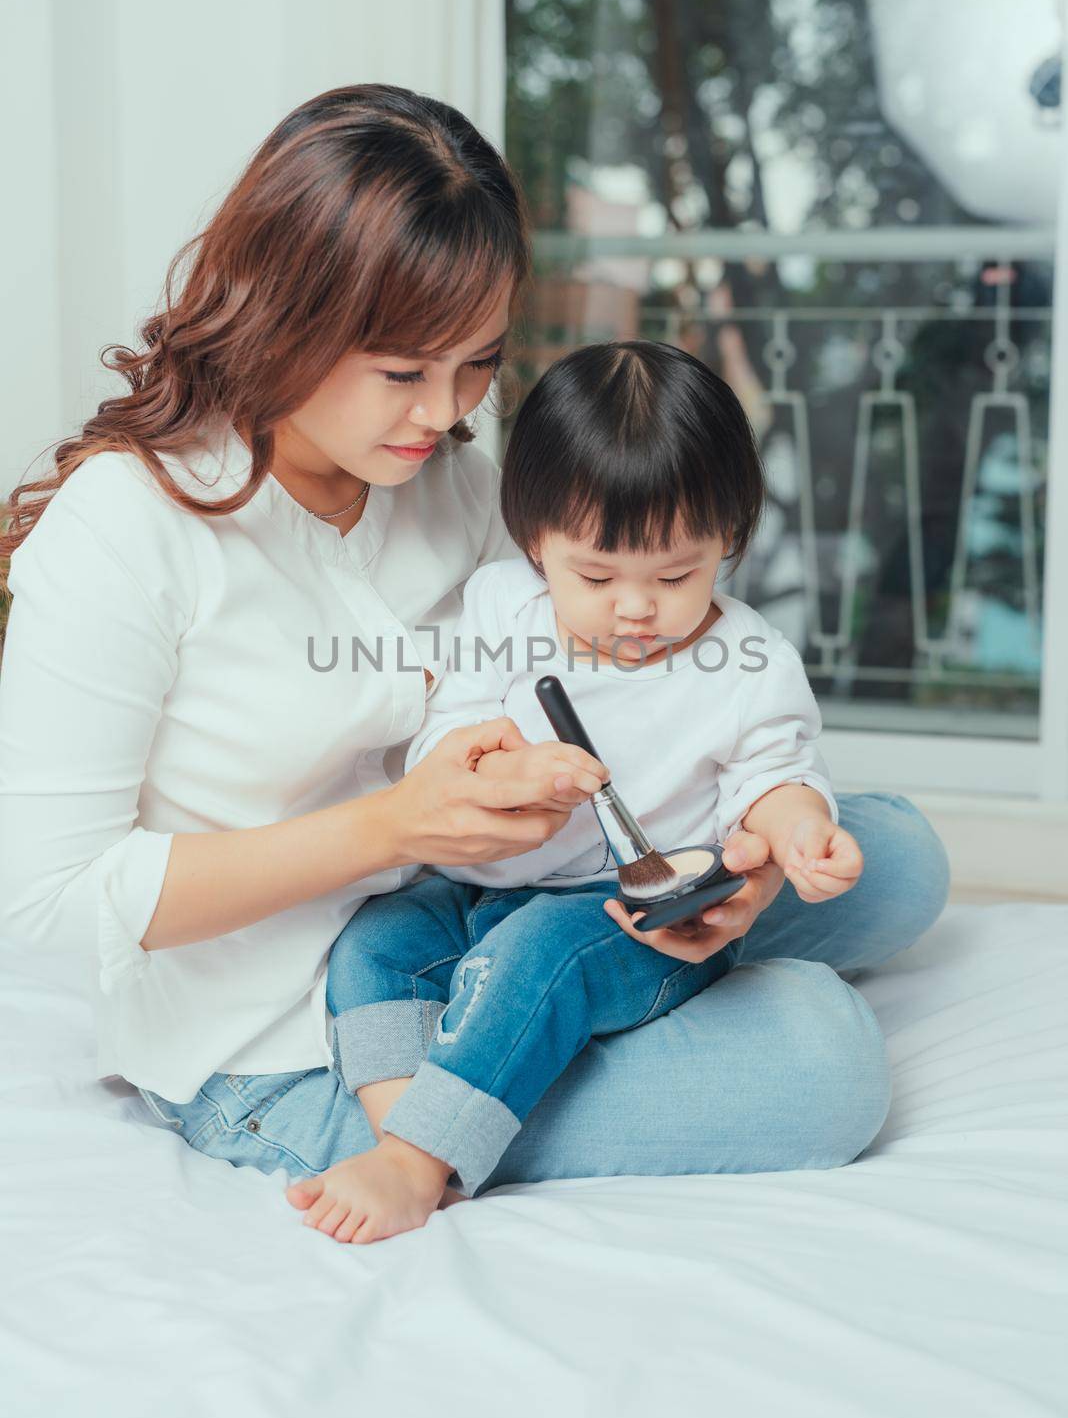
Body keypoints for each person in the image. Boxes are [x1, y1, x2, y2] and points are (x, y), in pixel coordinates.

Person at [0, 85, 949, 1233]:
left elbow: (603, 661)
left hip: (493, 900)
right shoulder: (127, 527)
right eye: (403, 371)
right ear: (283, 314)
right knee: (823, 1054)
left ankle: (588, 990)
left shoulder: (441, 474)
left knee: (891, 854)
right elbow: (44, 901)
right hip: (284, 1033)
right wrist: (396, 826)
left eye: (477, 364)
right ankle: (434, 1113)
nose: (443, 413)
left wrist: (728, 864)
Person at [301, 341, 865, 1243]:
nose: (635, 609)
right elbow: (453, 732)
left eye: (677, 575)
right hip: (486, 884)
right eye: (595, 577)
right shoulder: (499, 607)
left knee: (540, 955)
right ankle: (407, 1123)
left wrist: (801, 835)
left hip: (636, 915)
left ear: (730, 539)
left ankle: (419, 1161)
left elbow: (776, 776)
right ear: (535, 544)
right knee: (377, 940)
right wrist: (506, 768)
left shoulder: (751, 659)